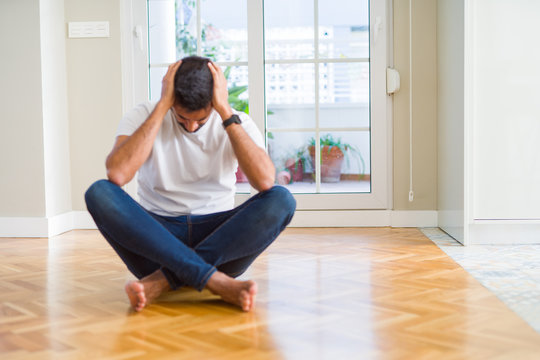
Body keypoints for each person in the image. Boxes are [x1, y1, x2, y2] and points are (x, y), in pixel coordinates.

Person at [85, 56, 296, 312]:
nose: (192, 126)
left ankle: (163, 281)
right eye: (182, 118)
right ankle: (213, 280)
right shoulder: (144, 114)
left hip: (220, 241)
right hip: (156, 240)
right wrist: (163, 107)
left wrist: (225, 111)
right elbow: (117, 174)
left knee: (282, 199)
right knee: (99, 192)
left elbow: (265, 181)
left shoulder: (236, 120)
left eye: (201, 120)